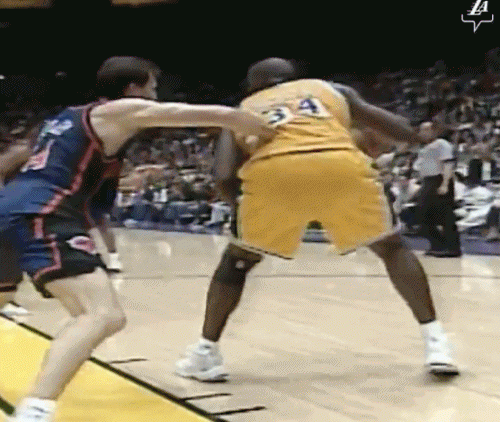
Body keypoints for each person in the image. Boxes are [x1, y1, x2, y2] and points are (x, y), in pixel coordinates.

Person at [0, 55, 274, 422]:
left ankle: (32, 417)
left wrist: (126, 180)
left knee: (55, 310)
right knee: (102, 315)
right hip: (43, 212)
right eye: (152, 87)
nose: (155, 96)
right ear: (133, 89)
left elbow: (49, 166)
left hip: (13, 206)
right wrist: (244, 119)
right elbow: (180, 113)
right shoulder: (117, 110)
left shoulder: (66, 118)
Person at [175, 57, 459, 383]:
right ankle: (436, 343)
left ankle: (206, 353)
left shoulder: (244, 108)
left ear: (254, 86)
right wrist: (408, 136)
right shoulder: (330, 90)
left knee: (236, 263)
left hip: (274, 174)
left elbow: (224, 175)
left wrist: (239, 208)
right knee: (392, 248)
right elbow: (398, 129)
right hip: (339, 164)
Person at [414, 122, 462, 257]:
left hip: (439, 179)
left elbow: (448, 164)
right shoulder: (424, 148)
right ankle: (437, 245)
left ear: (434, 131)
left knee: (445, 215)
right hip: (428, 181)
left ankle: (453, 248)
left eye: (426, 130)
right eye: (421, 130)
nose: (423, 133)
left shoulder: (442, 144)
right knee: (422, 214)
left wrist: (445, 184)